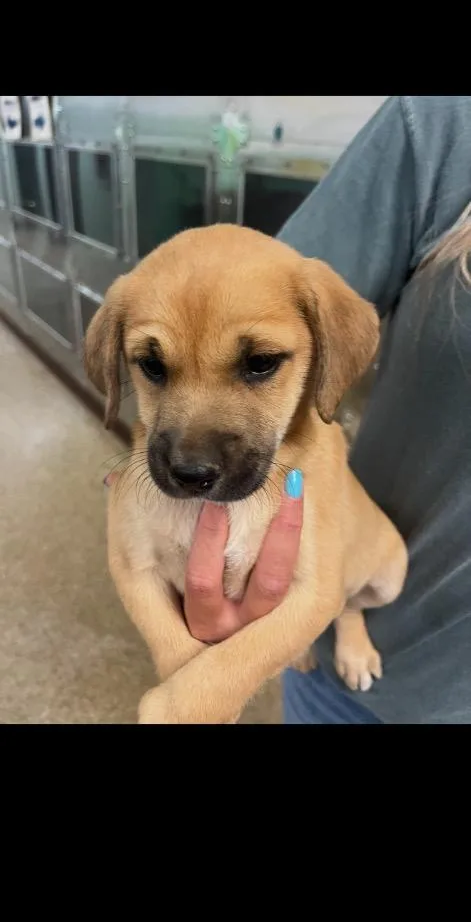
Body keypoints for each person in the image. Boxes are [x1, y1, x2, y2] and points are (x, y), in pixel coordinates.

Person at [110, 96, 471, 724]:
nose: (191, 452)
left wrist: (203, 694)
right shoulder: (443, 125)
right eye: (155, 366)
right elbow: (243, 278)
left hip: (422, 646)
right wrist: (188, 671)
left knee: (378, 581)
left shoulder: (317, 326)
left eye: (257, 365)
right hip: (324, 694)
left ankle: (350, 618)